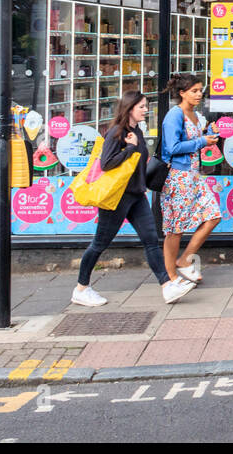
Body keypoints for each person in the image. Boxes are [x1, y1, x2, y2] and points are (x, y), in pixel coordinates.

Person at [72, 91, 196, 307]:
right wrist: (129, 148)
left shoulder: (136, 130)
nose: (146, 110)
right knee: (100, 243)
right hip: (117, 198)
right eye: (142, 107)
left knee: (150, 240)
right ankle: (81, 288)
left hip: (136, 195)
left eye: (145, 106)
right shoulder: (116, 133)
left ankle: (167, 286)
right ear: (129, 109)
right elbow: (106, 164)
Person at [160, 73, 223, 284]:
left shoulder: (194, 114)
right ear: (182, 93)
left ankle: (185, 260)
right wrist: (202, 141)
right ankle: (170, 277)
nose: (199, 94)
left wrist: (208, 134)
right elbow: (172, 147)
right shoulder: (174, 115)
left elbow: (195, 138)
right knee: (175, 229)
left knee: (213, 215)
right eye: (194, 91)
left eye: (200, 90)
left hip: (193, 176)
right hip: (177, 177)